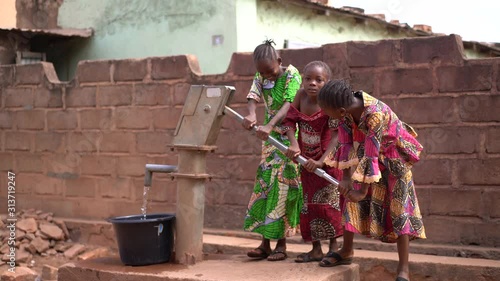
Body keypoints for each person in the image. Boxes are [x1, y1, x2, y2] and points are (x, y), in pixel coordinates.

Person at [317, 80, 426, 281]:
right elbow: (345, 143)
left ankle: (403, 270)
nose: (324, 113)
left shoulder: (375, 114)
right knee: (349, 198)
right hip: (370, 157)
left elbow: (371, 153)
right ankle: (346, 251)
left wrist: (362, 191)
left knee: (400, 210)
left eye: (325, 110)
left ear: (340, 110)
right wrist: (347, 179)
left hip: (394, 159)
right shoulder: (345, 112)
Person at [242, 39, 303, 262]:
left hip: (289, 138)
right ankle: (264, 243)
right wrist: (251, 114)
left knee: (282, 190)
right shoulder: (261, 75)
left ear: (279, 61)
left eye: (270, 71)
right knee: (265, 186)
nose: (267, 76)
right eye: (262, 73)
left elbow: (289, 105)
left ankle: (282, 245)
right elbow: (253, 96)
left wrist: (269, 125)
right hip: (268, 141)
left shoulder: (292, 76)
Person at [280, 61, 343, 264]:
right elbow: (289, 121)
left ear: (327, 82)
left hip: (328, 160)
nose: (312, 83)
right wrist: (293, 144)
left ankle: (335, 250)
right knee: (309, 205)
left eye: (318, 80)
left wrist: (322, 161)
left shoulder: (329, 102)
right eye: (308, 79)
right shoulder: (300, 96)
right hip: (305, 159)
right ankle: (316, 249)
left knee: (330, 204)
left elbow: (336, 137)